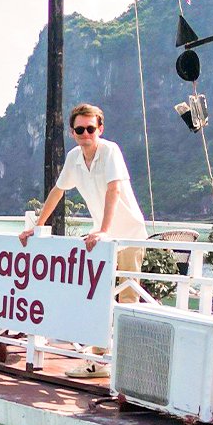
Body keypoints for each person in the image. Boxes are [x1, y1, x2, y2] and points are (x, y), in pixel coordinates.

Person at [19, 103, 149, 378]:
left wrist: (104, 229)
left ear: (100, 129)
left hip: (129, 235)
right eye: (80, 129)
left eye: (91, 128)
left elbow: (114, 189)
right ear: (72, 132)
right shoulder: (74, 158)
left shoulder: (110, 151)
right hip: (101, 238)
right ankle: (97, 361)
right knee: (98, 298)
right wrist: (37, 226)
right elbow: (57, 191)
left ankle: (128, 365)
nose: (86, 134)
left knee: (127, 300)